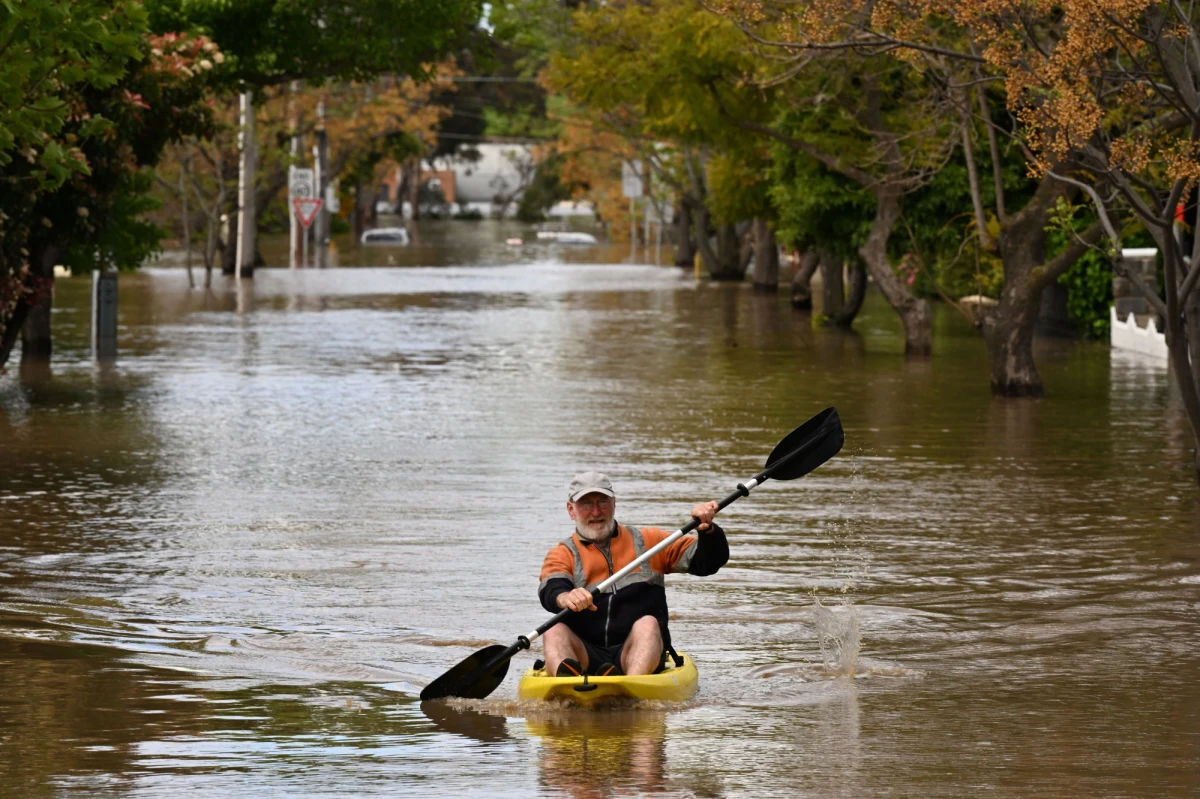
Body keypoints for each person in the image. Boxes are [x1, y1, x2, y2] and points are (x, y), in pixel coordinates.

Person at [538, 471, 729, 677]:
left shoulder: (651, 541)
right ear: (571, 510)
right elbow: (552, 589)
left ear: (614, 503)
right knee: (553, 629)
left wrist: (707, 531)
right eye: (586, 504)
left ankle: (630, 689)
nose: (595, 512)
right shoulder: (563, 553)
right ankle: (567, 689)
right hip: (586, 654)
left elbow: (707, 562)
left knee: (647, 623)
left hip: (637, 652)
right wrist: (566, 597)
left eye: (602, 502)